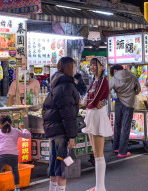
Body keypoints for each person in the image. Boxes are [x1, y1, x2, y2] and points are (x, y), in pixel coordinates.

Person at [42, 57, 80, 191]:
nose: (75, 69)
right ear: (69, 68)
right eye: (74, 66)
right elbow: (68, 114)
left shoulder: (56, 82)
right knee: (62, 168)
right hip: (62, 131)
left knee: (54, 165)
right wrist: (71, 136)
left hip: (54, 131)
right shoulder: (66, 85)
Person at [82, 56, 113, 191]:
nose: (92, 67)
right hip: (91, 115)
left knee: (99, 154)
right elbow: (89, 100)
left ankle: (101, 187)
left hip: (98, 117)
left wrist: (86, 104)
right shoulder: (94, 81)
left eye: (95, 64)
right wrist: (87, 104)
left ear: (102, 66)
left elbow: (93, 101)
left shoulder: (103, 81)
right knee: (95, 154)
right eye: (91, 64)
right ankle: (98, 186)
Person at [109, 64, 141, 158]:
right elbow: (138, 89)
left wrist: (117, 93)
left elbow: (108, 89)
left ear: (115, 71)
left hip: (119, 102)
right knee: (126, 127)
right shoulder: (132, 76)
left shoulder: (114, 78)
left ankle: (116, 147)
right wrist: (132, 93)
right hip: (129, 103)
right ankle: (122, 151)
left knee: (117, 125)